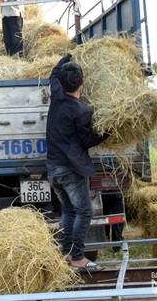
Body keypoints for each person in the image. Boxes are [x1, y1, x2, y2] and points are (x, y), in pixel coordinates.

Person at [46, 53, 110, 272]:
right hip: (70, 170)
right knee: (84, 211)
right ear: (82, 82)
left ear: (62, 83)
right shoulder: (81, 110)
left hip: (53, 168)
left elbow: (53, 74)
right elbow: (87, 140)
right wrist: (107, 132)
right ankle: (79, 258)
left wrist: (64, 59)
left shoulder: (56, 95)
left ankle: (66, 254)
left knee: (69, 210)